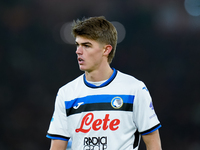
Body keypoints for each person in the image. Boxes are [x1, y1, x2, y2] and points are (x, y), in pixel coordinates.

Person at [46, 16, 162, 150]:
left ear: (106, 50)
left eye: (86, 45)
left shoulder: (134, 89)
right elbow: (57, 147)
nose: (78, 51)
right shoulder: (66, 93)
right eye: (78, 44)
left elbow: (153, 144)